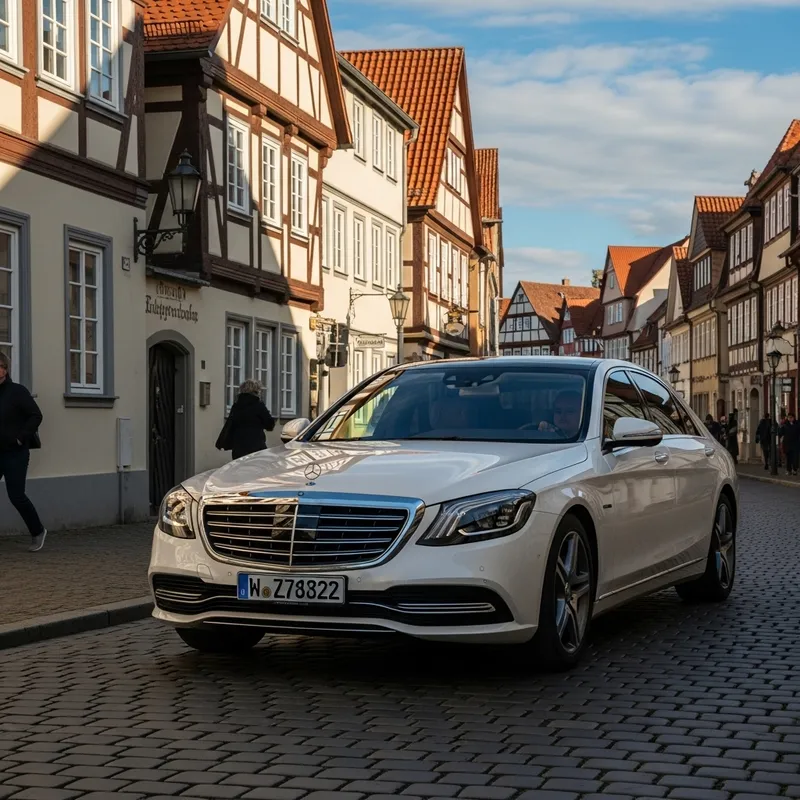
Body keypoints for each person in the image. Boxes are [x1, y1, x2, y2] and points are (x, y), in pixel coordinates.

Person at [0, 352, 46, 551]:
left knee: (16, 495)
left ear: (5, 369)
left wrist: (20, 438)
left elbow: (36, 415)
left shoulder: (17, 391)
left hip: (15, 453)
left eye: (0, 366)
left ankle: (38, 531)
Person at [216, 379, 275, 460]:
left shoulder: (236, 406)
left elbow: (230, 424)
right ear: (256, 391)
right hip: (256, 445)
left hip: (238, 447)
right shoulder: (258, 405)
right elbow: (270, 425)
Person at [781, 412, 800, 476]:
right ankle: (788, 470)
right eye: (789, 417)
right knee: (788, 458)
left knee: (795, 458)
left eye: (791, 417)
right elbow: (781, 433)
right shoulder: (785, 424)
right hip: (787, 444)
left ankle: (794, 470)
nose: (790, 419)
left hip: (795, 444)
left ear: (794, 418)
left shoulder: (797, 424)